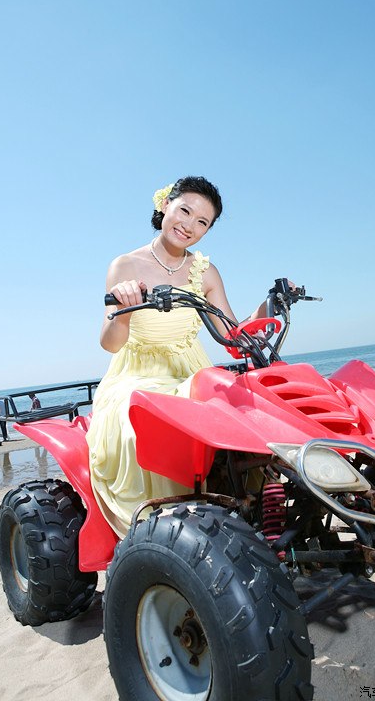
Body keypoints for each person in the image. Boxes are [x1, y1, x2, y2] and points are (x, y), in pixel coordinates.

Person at [86, 176, 276, 538]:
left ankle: (247, 507)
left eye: (202, 222)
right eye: (184, 211)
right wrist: (123, 307)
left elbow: (231, 334)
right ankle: (166, 528)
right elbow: (109, 343)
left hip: (191, 368)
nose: (189, 225)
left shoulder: (206, 272)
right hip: (138, 372)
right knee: (147, 424)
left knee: (244, 413)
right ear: (165, 206)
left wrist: (270, 304)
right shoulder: (125, 266)